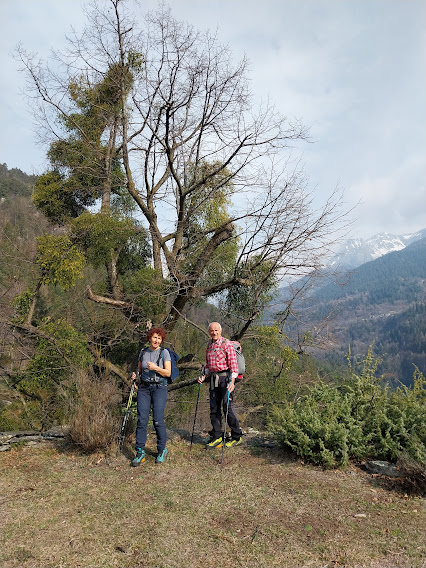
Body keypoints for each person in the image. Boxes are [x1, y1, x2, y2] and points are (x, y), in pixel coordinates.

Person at [198, 322, 243, 449]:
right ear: (209, 332)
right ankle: (217, 436)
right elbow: (208, 365)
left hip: (225, 379)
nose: (214, 333)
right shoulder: (209, 345)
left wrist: (232, 382)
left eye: (216, 330)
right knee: (214, 408)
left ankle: (236, 436)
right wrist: (203, 376)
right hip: (213, 379)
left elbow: (234, 365)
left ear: (220, 331)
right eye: (212, 331)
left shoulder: (226, 344)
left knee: (227, 407)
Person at [131, 327, 171, 466]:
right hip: (144, 388)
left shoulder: (164, 352)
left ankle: (161, 449)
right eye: (154, 337)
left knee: (157, 420)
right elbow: (139, 370)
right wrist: (135, 375)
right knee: (142, 420)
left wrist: (156, 368)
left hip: (159, 387)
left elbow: (168, 373)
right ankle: (140, 451)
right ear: (149, 338)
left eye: (159, 338)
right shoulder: (143, 352)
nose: (156, 340)